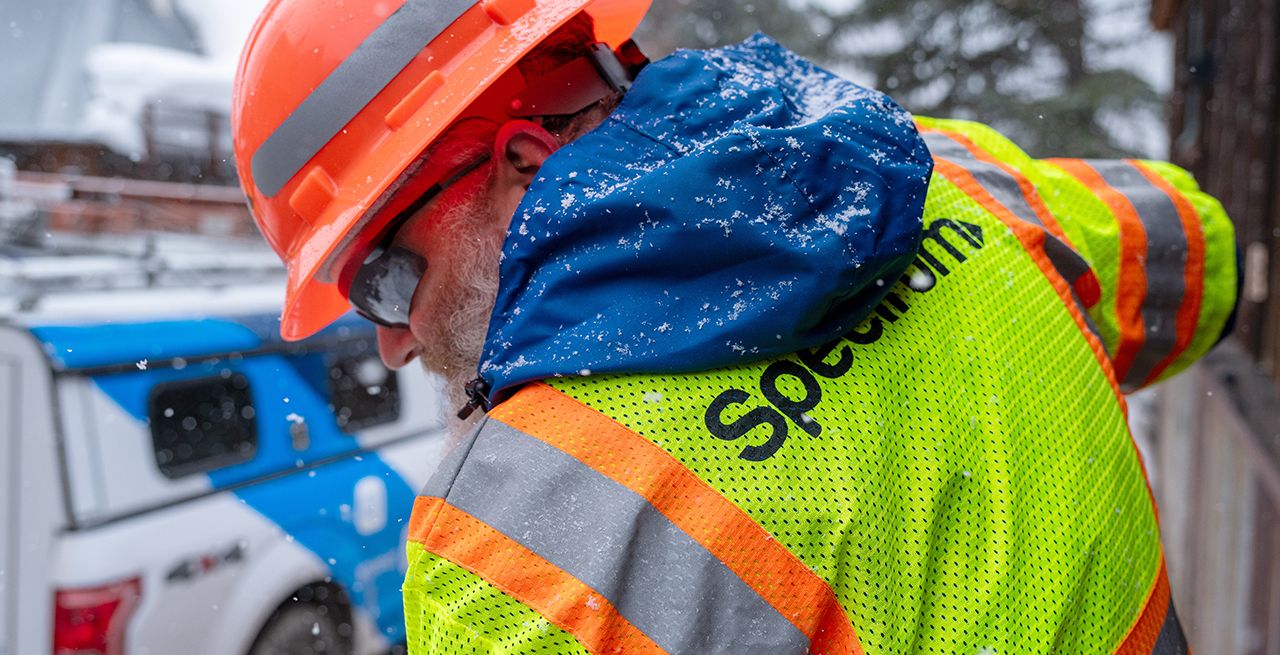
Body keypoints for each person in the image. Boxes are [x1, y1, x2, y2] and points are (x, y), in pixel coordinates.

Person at [231, 0, 1238, 653]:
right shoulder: (956, 179)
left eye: (380, 278)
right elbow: (1196, 251)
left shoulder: (506, 548)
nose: (392, 339)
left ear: (525, 163)